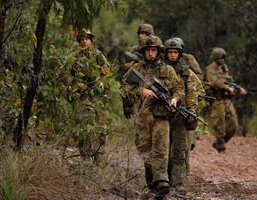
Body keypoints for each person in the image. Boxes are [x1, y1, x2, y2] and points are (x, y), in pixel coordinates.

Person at [122, 35, 184, 199]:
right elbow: (125, 86)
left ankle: (162, 181)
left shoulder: (167, 70)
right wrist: (142, 91)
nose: (151, 53)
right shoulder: (137, 69)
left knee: (161, 149)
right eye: (148, 50)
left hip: (161, 116)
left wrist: (174, 100)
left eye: (154, 50)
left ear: (158, 51)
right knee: (145, 150)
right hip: (143, 116)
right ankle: (152, 183)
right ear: (144, 51)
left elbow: (179, 89)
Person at [59, 29, 111, 166]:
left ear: (91, 41)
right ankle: (85, 159)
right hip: (82, 97)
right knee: (83, 128)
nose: (84, 41)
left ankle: (101, 160)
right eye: (81, 39)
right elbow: (63, 73)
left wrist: (100, 83)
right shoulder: (74, 57)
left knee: (100, 127)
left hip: (97, 98)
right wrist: (77, 84)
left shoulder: (98, 56)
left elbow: (107, 73)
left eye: (87, 39)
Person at [164, 38, 201, 189]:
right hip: (161, 115)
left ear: (180, 54)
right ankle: (162, 182)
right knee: (162, 150)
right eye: (170, 52)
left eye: (175, 52)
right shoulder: (160, 69)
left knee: (179, 151)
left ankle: (177, 183)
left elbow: (193, 92)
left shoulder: (187, 73)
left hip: (180, 115)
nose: (172, 55)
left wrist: (191, 110)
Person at [204, 47, 246, 152]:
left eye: (223, 58)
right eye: (220, 58)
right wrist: (228, 88)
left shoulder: (224, 68)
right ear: (215, 58)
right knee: (220, 125)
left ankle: (218, 143)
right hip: (217, 100)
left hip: (227, 100)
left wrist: (238, 88)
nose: (222, 60)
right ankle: (221, 147)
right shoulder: (210, 69)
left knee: (233, 124)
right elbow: (214, 82)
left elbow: (228, 81)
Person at [119, 23, 155, 118]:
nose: (141, 36)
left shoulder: (155, 49)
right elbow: (125, 66)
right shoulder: (135, 49)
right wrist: (136, 63)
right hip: (136, 82)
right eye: (140, 33)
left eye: (144, 33)